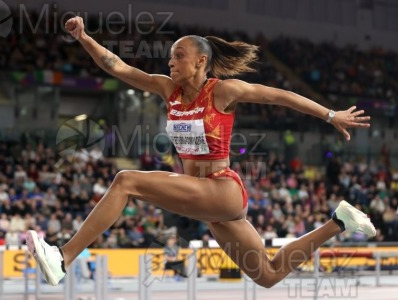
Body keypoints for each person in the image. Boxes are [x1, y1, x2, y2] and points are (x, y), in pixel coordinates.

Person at [26, 16, 376, 287]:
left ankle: (63, 258)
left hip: (223, 190)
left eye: (179, 56)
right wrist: (84, 38)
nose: (171, 62)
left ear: (200, 61)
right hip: (208, 202)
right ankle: (340, 221)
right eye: (170, 56)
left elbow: (279, 96)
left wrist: (330, 115)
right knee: (268, 275)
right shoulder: (168, 89)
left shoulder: (223, 91)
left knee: (125, 181)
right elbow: (117, 66)